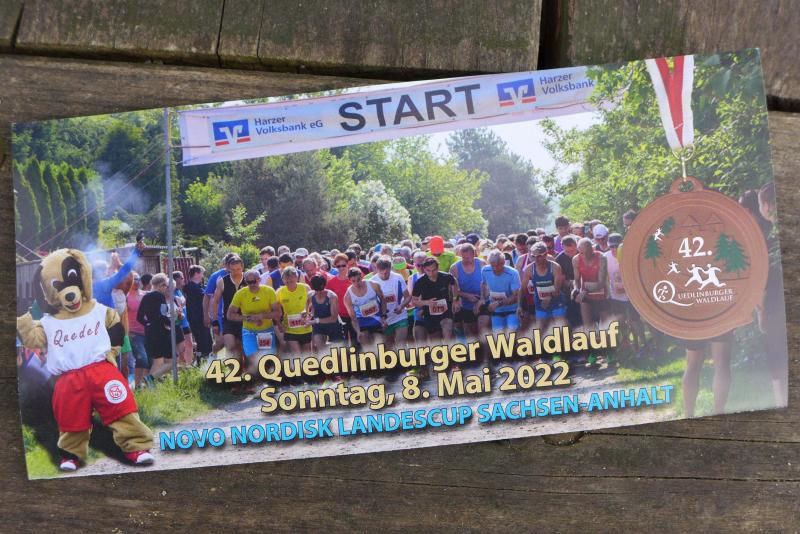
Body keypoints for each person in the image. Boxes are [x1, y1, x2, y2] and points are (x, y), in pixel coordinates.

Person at [227, 269, 280, 392]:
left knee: (267, 358)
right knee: (252, 357)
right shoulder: (241, 293)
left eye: (254, 281)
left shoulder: (269, 291)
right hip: (249, 331)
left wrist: (262, 316)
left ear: (259, 280)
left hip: (266, 331)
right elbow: (230, 315)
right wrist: (247, 318)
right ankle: (257, 383)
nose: (252, 284)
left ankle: (267, 382)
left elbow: (278, 313)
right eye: (248, 282)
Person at [520, 242, 566, 359]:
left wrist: (549, 297)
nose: (536, 259)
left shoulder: (555, 267)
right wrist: (519, 306)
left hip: (556, 302)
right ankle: (546, 357)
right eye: (533, 256)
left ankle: (560, 355)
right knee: (542, 330)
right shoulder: (529, 269)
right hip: (540, 304)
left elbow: (558, 288)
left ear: (546, 254)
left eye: (539, 256)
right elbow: (522, 288)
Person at [604, 233, 644, 358]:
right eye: (611, 246)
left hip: (631, 296)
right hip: (616, 296)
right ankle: (627, 345)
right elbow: (604, 277)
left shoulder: (630, 255)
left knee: (635, 321)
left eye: (616, 246)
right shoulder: (605, 257)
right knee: (621, 322)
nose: (614, 249)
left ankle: (641, 345)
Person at [137, 273, 182, 381]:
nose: (166, 288)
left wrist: (148, 324)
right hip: (161, 332)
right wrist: (171, 324)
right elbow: (162, 315)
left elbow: (139, 317)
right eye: (165, 285)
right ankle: (150, 379)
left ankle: (150, 385)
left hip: (150, 332)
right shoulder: (160, 296)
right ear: (161, 285)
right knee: (173, 360)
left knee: (157, 361)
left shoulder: (146, 297)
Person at [572, 237, 609, 367]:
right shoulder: (576, 259)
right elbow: (577, 280)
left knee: (605, 325)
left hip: (601, 294)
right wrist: (576, 290)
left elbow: (601, 282)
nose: (582, 255)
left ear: (591, 249)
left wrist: (585, 290)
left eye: (584, 252)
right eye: (580, 252)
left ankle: (609, 353)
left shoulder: (601, 257)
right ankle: (592, 353)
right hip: (586, 295)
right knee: (588, 325)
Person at [412, 257, 460, 341]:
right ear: (424, 269)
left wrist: (455, 299)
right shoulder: (420, 282)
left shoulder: (446, 276)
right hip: (430, 314)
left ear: (438, 268)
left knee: (447, 331)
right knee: (435, 341)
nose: (431, 273)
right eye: (428, 271)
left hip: (446, 311)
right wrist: (426, 302)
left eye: (434, 270)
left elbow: (454, 283)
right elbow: (414, 301)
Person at [211, 255, 246, 364]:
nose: (236, 272)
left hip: (245, 319)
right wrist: (215, 321)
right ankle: (232, 370)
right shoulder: (222, 281)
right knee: (230, 347)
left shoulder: (248, 280)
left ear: (242, 267)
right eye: (233, 270)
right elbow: (215, 301)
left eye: (238, 269)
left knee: (243, 348)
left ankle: (242, 369)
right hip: (228, 319)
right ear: (228, 269)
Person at [450, 243, 489, 339]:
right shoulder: (455, 268)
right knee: (470, 333)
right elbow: (452, 289)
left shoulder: (482, 264)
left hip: (483, 300)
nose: (465, 260)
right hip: (466, 304)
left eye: (467, 258)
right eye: (463, 257)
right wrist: (466, 295)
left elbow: (489, 284)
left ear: (474, 254)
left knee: (483, 330)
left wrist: (481, 299)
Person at [371, 257, 411, 348]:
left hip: (399, 316)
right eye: (381, 273)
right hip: (385, 320)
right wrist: (381, 318)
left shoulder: (398, 278)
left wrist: (401, 306)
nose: (384, 275)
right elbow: (372, 304)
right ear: (377, 269)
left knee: (401, 344)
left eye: (386, 273)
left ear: (390, 268)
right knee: (389, 347)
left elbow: (408, 297)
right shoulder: (372, 282)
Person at [344, 267, 387, 348]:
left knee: (380, 346)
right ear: (349, 280)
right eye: (353, 281)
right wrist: (358, 332)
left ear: (362, 277)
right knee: (368, 349)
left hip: (377, 321)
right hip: (362, 323)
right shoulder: (348, 296)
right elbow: (353, 318)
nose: (357, 283)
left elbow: (383, 300)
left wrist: (384, 316)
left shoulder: (373, 285)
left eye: (358, 280)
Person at [480, 250, 521, 333]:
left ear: (503, 263)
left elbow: (516, 296)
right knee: (498, 335)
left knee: (512, 332)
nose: (495, 268)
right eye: (492, 266)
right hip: (496, 310)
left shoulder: (513, 273)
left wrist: (499, 303)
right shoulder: (485, 270)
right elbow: (483, 284)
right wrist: (482, 298)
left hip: (512, 309)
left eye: (498, 265)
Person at [276, 266, 313, 354]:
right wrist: (279, 324)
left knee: (307, 354)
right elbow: (276, 310)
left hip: (305, 327)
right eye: (287, 281)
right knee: (296, 353)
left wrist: (309, 316)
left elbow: (314, 304)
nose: (289, 284)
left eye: (291, 281)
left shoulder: (305, 288)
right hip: (289, 328)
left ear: (297, 278)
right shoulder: (279, 291)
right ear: (283, 280)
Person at [204, 252, 235, 354]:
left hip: (235, 314)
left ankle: (233, 362)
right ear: (226, 264)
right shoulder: (216, 276)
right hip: (220, 315)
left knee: (233, 343)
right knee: (220, 342)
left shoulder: (241, 275)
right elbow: (207, 296)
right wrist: (206, 315)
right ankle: (213, 355)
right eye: (229, 264)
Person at [307, 273, 344, 351]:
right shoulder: (310, 295)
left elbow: (333, 318)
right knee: (319, 347)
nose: (319, 292)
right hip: (319, 326)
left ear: (324, 286)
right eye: (316, 290)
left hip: (333, 326)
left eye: (321, 290)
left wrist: (316, 320)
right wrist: (307, 316)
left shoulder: (332, 297)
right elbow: (309, 309)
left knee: (337, 352)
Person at [126, 272, 150, 388]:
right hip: (134, 333)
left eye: (138, 279)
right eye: (134, 279)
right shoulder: (126, 297)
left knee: (149, 360)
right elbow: (122, 315)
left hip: (148, 331)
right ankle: (137, 385)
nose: (136, 281)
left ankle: (147, 384)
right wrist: (127, 332)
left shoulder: (146, 295)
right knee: (142, 359)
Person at [185, 265, 212, 363]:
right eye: (202, 274)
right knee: (202, 343)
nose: (202, 276)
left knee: (207, 342)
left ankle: (203, 361)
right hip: (197, 320)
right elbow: (205, 296)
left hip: (201, 319)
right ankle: (201, 362)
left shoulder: (198, 287)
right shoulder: (191, 287)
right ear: (196, 274)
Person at [555, 235, 581, 327]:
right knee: (572, 317)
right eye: (567, 251)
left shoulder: (582, 254)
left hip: (585, 288)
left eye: (572, 251)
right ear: (562, 247)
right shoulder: (559, 259)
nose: (570, 254)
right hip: (568, 292)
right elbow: (560, 279)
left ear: (576, 246)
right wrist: (570, 283)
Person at [172, 271, 193, 367]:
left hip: (185, 322)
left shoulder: (179, 291)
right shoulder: (171, 292)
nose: (184, 280)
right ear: (176, 279)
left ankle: (188, 365)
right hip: (178, 324)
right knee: (181, 348)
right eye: (182, 278)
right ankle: (182, 367)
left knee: (189, 344)